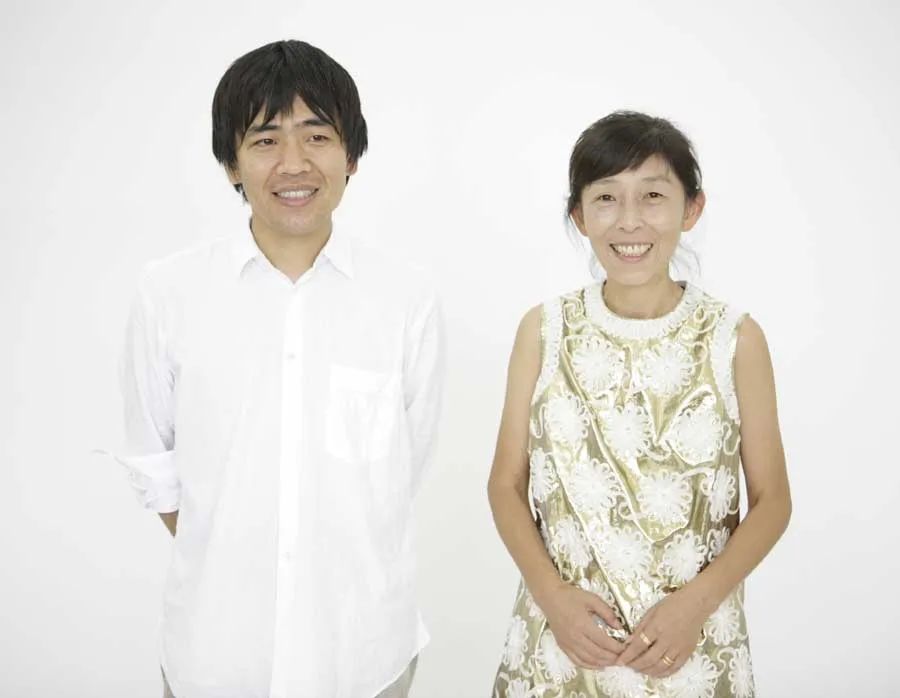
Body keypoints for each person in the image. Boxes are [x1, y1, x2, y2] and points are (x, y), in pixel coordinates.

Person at [112, 40, 444, 698]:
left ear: (352, 156)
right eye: (265, 139)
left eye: (317, 136)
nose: (294, 163)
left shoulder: (407, 298)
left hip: (363, 652)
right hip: (216, 655)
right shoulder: (169, 292)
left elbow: (407, 463)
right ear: (230, 163)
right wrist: (233, 540)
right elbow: (154, 464)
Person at [487, 111, 791, 697]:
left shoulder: (735, 339)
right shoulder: (544, 330)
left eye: (652, 195)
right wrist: (553, 599)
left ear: (691, 209)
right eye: (606, 197)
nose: (629, 220)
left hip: (692, 648)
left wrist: (696, 604)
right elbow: (505, 484)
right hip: (560, 648)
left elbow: (773, 500)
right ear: (579, 215)